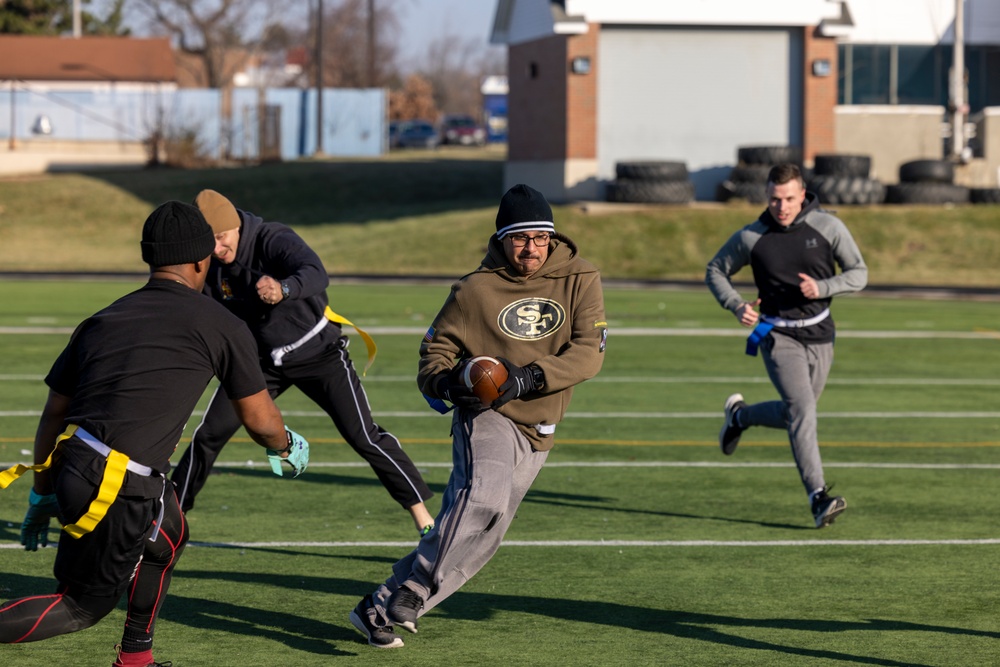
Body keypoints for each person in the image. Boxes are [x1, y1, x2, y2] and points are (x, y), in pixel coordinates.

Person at [0, 202, 309, 667]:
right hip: (117, 484)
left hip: (76, 463)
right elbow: (260, 420)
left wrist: (42, 492)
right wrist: (284, 444)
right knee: (80, 606)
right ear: (200, 261)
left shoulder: (105, 317)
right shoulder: (220, 323)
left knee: (168, 535)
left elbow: (52, 416)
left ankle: (136, 660)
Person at [348, 183, 608, 649]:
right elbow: (435, 351)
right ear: (502, 239)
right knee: (481, 499)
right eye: (520, 238)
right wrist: (448, 383)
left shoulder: (581, 277)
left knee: (485, 534)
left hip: (540, 422)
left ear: (552, 237)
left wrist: (527, 378)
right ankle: (414, 589)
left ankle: (378, 604)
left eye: (540, 237)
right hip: (488, 414)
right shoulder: (474, 289)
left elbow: (589, 353)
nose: (531, 248)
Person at [170, 190, 435, 534]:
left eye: (221, 238)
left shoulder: (273, 238)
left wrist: (284, 288)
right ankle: (169, 517)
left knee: (363, 436)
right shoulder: (211, 265)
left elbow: (315, 272)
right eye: (211, 244)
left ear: (235, 226)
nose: (218, 250)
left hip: (319, 353)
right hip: (259, 364)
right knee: (209, 435)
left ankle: (424, 518)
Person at [705, 163, 868, 528]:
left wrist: (823, 288)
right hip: (777, 335)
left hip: (821, 333)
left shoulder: (828, 227)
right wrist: (736, 305)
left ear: (803, 194)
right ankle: (818, 497)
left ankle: (740, 417)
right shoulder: (752, 236)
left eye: (790, 199)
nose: (782, 207)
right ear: (767, 197)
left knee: (797, 414)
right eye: (775, 199)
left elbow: (860, 273)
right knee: (803, 411)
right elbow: (715, 269)